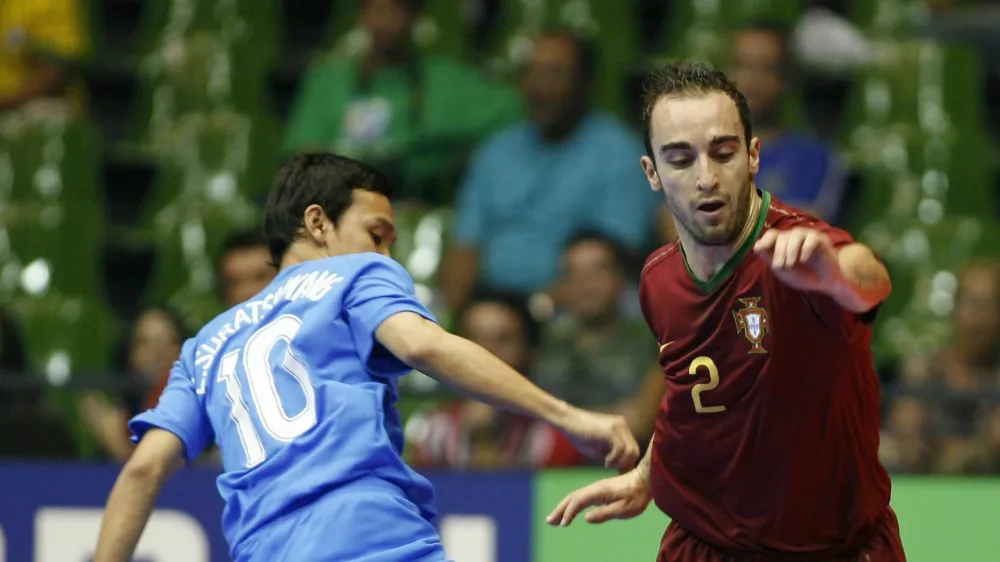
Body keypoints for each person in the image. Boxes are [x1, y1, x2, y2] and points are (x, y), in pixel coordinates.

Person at [93, 152, 639, 562]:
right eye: (376, 234)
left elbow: (143, 470)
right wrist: (569, 416)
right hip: (371, 537)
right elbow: (425, 344)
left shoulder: (204, 345)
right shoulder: (356, 273)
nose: (386, 254)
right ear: (316, 223)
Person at [547, 63, 904, 561]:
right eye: (680, 159)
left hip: (834, 547)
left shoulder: (799, 252)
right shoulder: (658, 280)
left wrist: (834, 278)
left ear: (753, 156)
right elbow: (690, 394)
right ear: (652, 173)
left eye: (723, 152)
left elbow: (867, 279)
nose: (706, 177)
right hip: (705, 543)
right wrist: (649, 475)